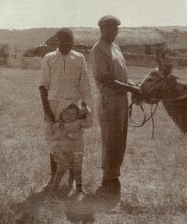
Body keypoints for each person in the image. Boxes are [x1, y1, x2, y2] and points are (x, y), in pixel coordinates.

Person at [90, 15, 141, 196]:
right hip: (109, 100)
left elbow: (122, 77)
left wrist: (135, 86)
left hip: (121, 100)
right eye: (110, 28)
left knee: (120, 139)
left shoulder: (115, 48)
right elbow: (106, 79)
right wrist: (131, 89)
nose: (113, 32)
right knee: (111, 139)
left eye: (116, 29)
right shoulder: (98, 49)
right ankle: (108, 179)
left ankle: (114, 175)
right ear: (102, 30)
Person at [39, 28, 94, 190]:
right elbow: (43, 86)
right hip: (54, 105)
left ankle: (73, 182)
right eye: (64, 41)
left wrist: (85, 105)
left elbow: (84, 85)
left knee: (74, 141)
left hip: (72, 107)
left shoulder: (79, 58)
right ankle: (52, 180)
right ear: (57, 40)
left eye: (70, 42)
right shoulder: (49, 58)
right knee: (55, 142)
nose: (67, 44)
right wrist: (47, 110)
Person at [49, 98, 92, 194]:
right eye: (66, 114)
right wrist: (66, 134)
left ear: (77, 115)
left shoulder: (78, 122)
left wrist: (88, 114)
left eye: (72, 114)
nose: (69, 116)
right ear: (61, 114)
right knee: (61, 169)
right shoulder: (59, 125)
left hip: (76, 150)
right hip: (62, 151)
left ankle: (78, 187)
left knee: (77, 169)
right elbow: (53, 137)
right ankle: (54, 188)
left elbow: (88, 124)